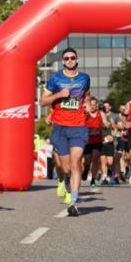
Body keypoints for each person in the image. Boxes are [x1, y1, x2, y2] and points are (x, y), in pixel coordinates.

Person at [40, 48, 91, 217]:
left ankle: (74, 202)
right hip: (60, 127)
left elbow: (87, 96)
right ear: (63, 61)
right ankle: (66, 180)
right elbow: (42, 101)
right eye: (67, 58)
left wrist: (88, 105)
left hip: (78, 125)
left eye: (73, 58)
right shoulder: (55, 79)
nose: (70, 60)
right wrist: (59, 95)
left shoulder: (84, 78)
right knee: (66, 167)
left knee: (76, 162)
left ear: (77, 59)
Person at [83, 97, 105, 187]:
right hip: (87, 141)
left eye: (94, 105)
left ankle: (93, 179)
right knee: (87, 160)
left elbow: (106, 122)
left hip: (97, 141)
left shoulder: (101, 114)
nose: (92, 107)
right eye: (91, 105)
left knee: (95, 159)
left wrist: (106, 124)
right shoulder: (86, 114)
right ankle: (86, 170)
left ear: (96, 105)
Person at [99, 100, 119, 185]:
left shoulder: (112, 117)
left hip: (110, 142)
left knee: (110, 162)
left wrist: (113, 136)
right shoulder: (98, 116)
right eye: (104, 107)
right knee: (103, 160)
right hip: (101, 141)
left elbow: (115, 129)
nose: (105, 108)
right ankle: (104, 176)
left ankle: (110, 172)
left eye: (106, 107)